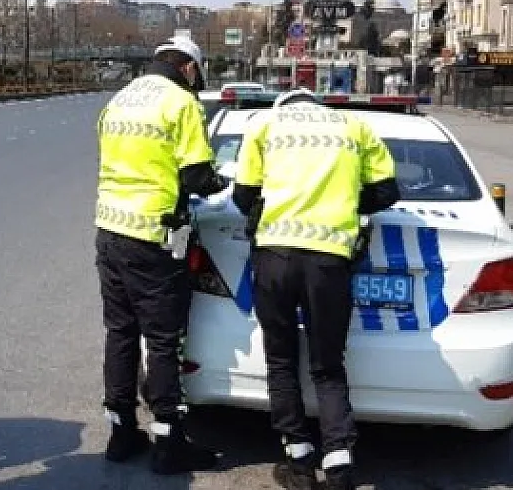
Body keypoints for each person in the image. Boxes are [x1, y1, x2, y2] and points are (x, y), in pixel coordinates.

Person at [232, 88, 399, 490]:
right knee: (327, 366)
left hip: (274, 260)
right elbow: (387, 191)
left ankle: (298, 460)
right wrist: (344, 204)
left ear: (284, 105)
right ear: (318, 104)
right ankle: (340, 465)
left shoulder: (263, 125)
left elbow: (242, 196)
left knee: (282, 360)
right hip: (329, 262)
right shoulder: (355, 126)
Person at [94, 35, 229, 474]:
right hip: (153, 237)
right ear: (190, 69)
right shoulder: (181, 103)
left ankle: (120, 432)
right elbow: (194, 177)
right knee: (164, 341)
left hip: (110, 231)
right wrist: (219, 183)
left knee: (120, 333)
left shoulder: (120, 98)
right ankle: (169, 442)